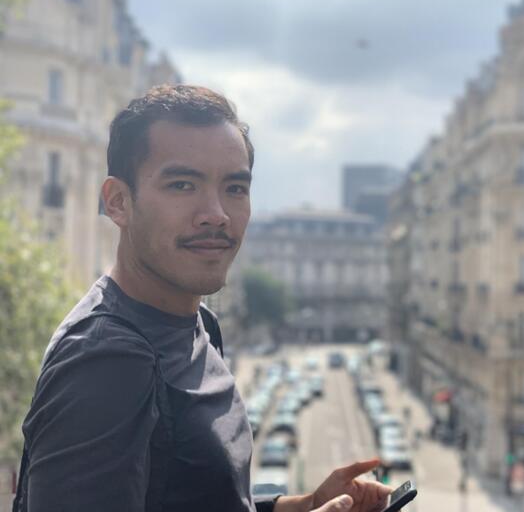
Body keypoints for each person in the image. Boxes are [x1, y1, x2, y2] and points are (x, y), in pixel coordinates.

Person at [13, 85, 392, 512]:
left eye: (235, 188)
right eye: (182, 184)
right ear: (118, 202)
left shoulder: (200, 324)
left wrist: (303, 505)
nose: (217, 213)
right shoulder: (105, 361)